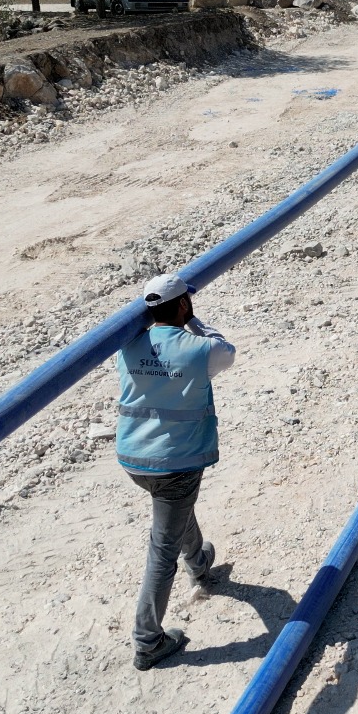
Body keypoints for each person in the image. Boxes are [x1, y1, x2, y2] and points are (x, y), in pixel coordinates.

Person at [115, 273, 237, 671]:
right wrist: (194, 322)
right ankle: (148, 641)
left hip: (133, 457)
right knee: (161, 550)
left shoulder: (128, 346)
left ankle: (199, 561)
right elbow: (226, 351)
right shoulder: (201, 349)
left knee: (176, 508)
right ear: (184, 304)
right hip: (176, 461)